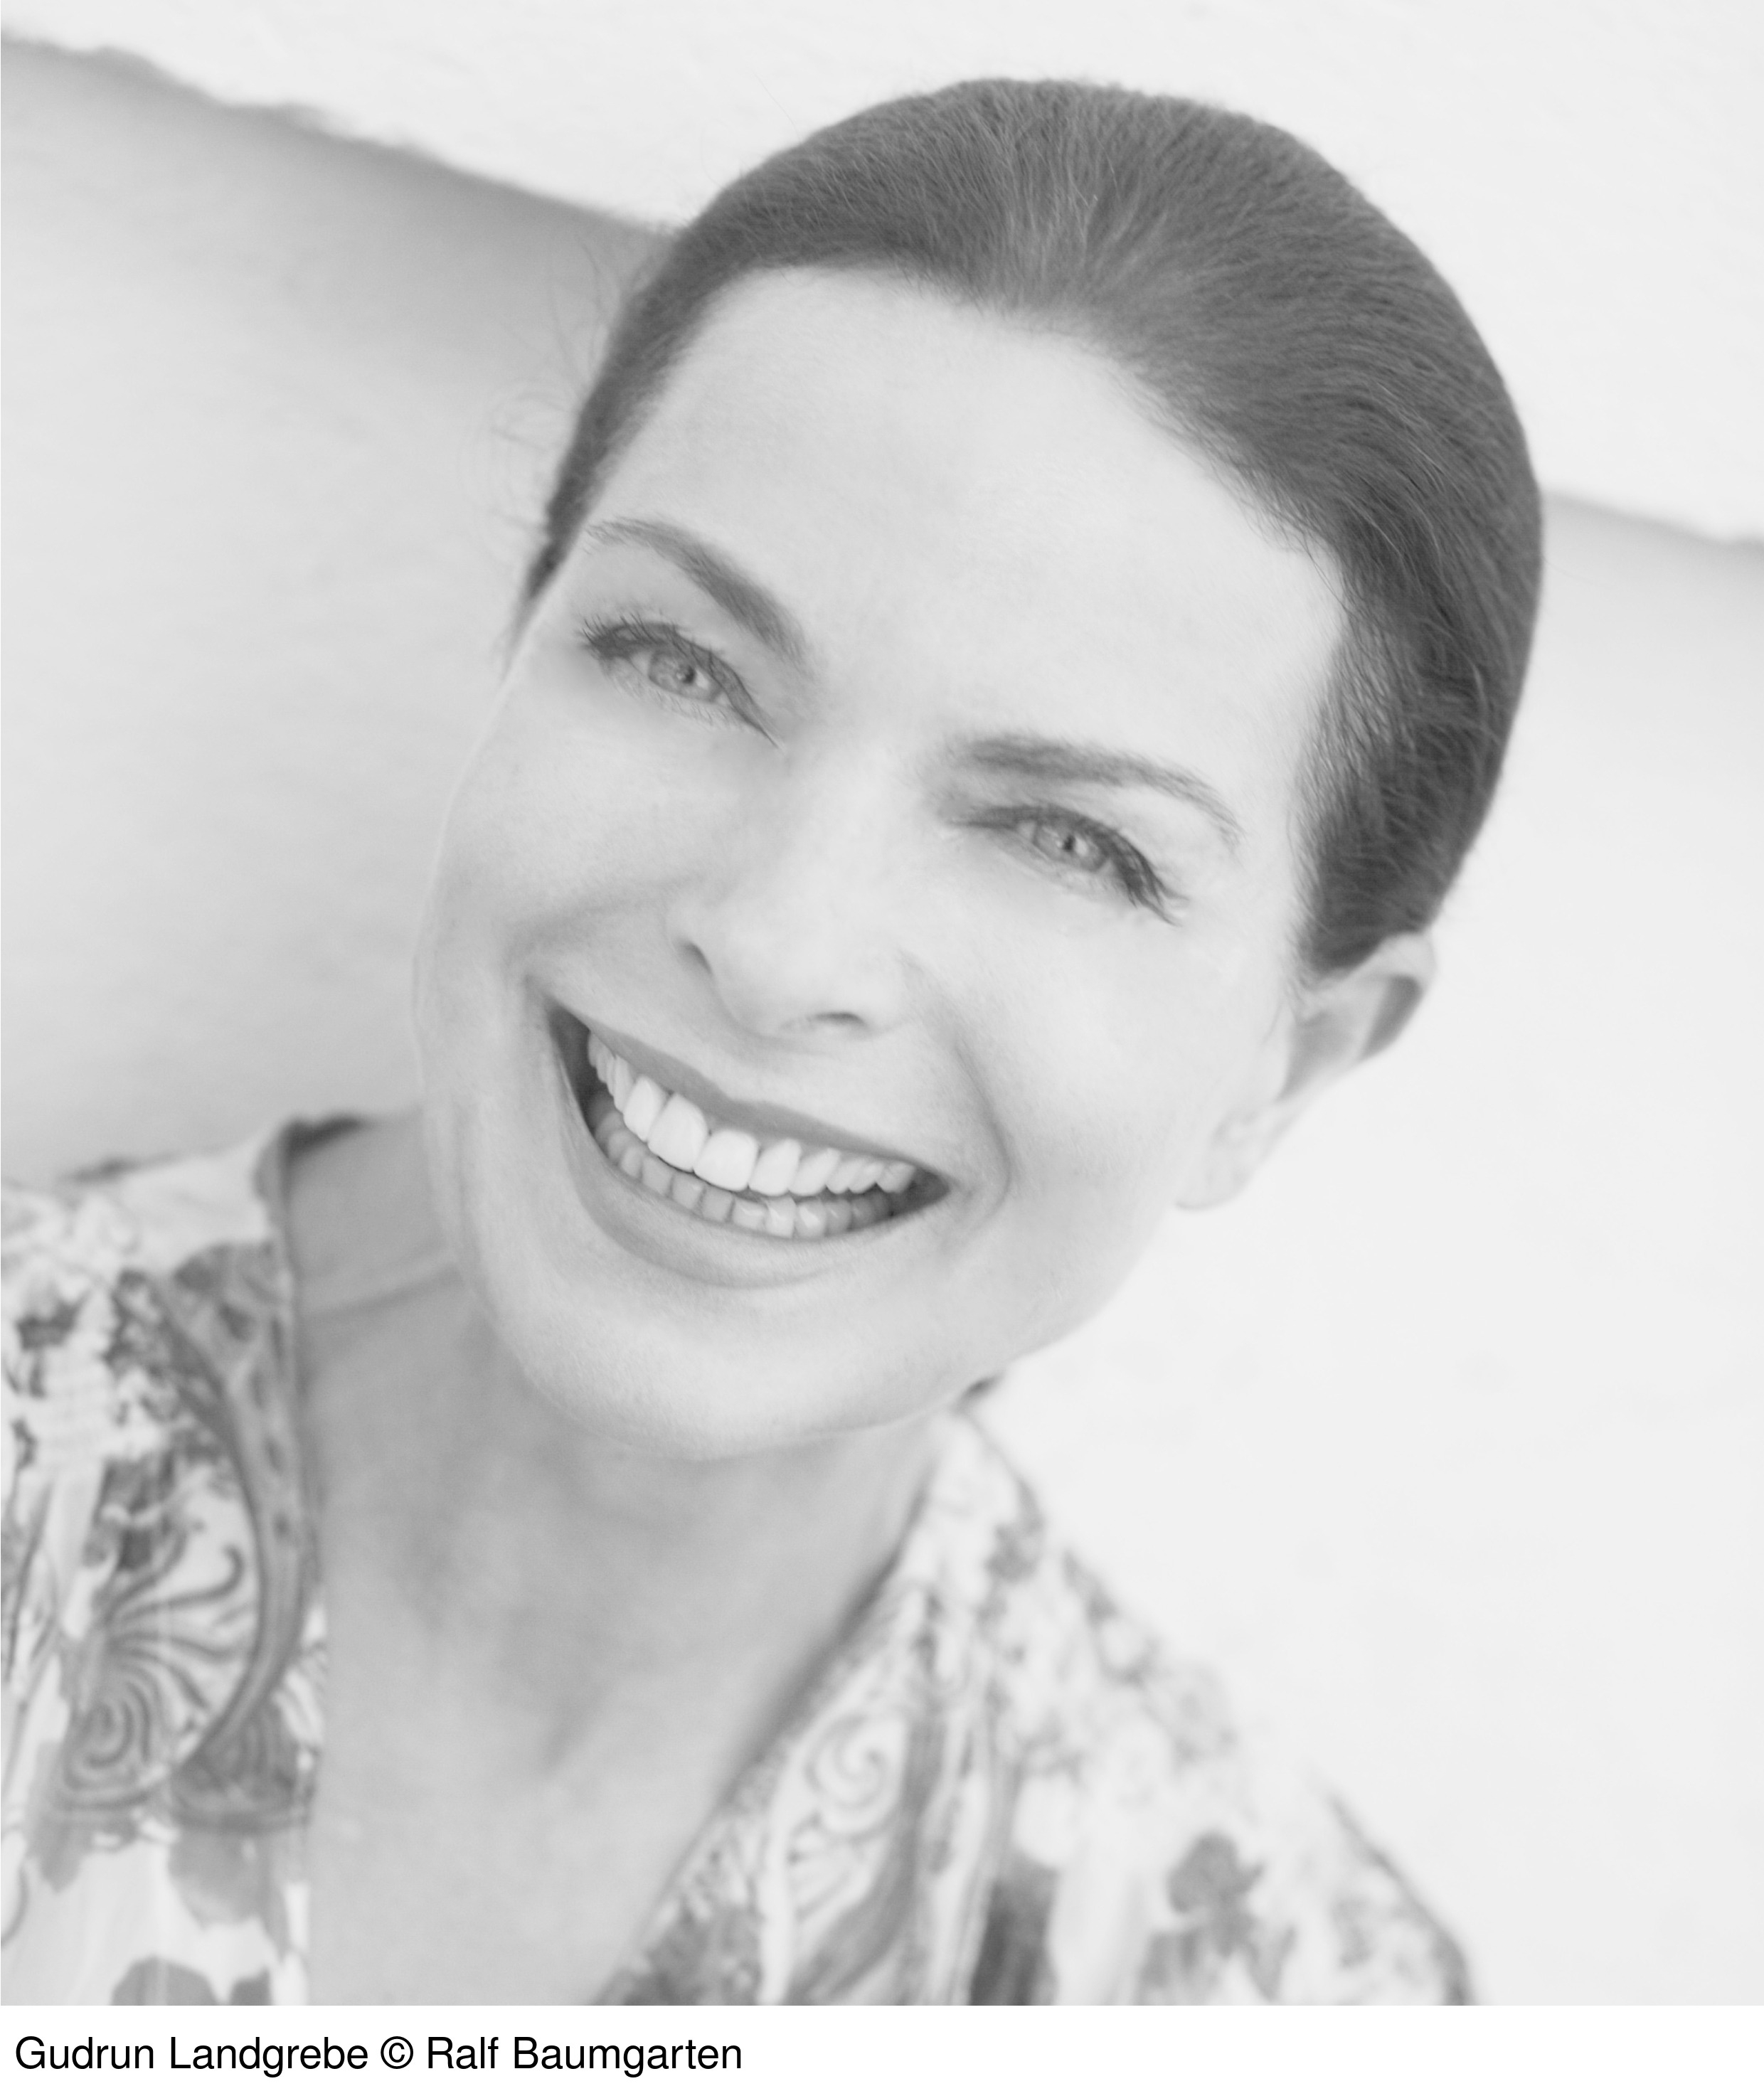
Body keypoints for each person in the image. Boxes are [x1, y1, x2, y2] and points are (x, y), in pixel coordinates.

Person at [1, 78, 1539, 2005]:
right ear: (525, 631)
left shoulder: (1281, 1994)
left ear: (1287, 1068)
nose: (777, 943)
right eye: (682, 663)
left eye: (1071, 839)